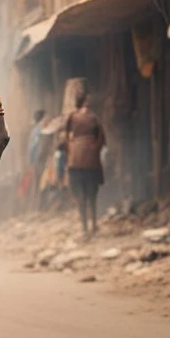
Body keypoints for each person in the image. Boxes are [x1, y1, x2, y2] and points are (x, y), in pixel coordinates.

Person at [64, 92, 106, 236]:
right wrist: (94, 149)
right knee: (92, 195)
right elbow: (102, 138)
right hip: (91, 162)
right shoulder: (94, 117)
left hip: (74, 162)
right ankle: (93, 225)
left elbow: (65, 138)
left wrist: (71, 148)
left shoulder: (71, 117)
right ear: (85, 102)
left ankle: (84, 228)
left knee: (80, 197)